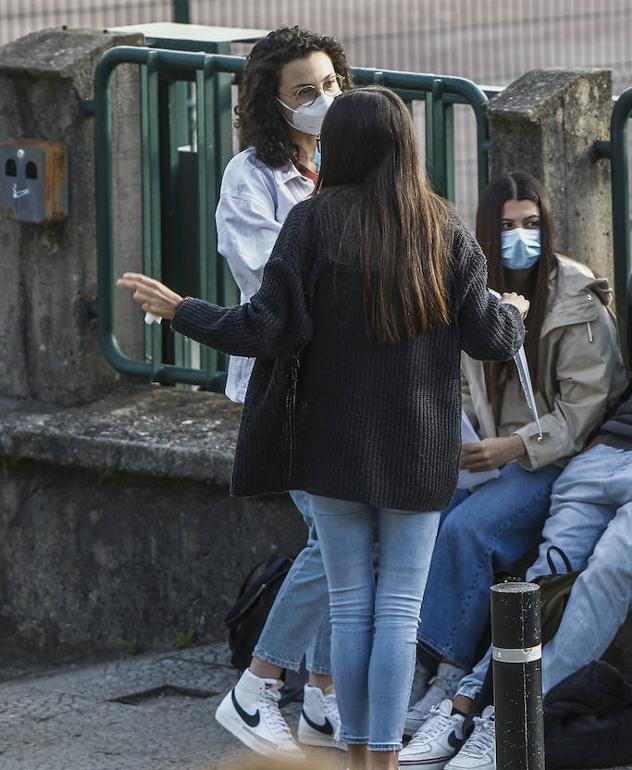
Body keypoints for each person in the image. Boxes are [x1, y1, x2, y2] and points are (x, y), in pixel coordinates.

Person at [117, 86, 528, 770]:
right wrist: (510, 307)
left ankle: (356, 755)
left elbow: (265, 327)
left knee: (349, 603)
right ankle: (384, 761)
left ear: (339, 146)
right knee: (399, 610)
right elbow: (488, 337)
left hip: (331, 446)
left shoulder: (313, 223)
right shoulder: (444, 227)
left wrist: (183, 309)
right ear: (406, 147)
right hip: (420, 449)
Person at [416, 132, 632, 768]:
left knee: (609, 571)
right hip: (614, 450)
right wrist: (605, 442)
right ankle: (464, 705)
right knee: (544, 575)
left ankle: (510, 723)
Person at [398, 172, 626, 768]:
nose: (519, 236)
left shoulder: (575, 296)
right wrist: (465, 438)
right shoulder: (471, 288)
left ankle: (449, 673)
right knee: (422, 510)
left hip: (551, 457)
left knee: (468, 531)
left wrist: (514, 446)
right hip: (487, 453)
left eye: (530, 224)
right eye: (505, 226)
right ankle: (405, 663)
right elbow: (466, 386)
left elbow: (586, 407)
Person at [210, 25, 353, 759]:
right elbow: (277, 287)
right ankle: (257, 687)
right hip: (290, 389)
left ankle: (324, 694)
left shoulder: (350, 164)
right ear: (271, 102)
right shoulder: (250, 179)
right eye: (305, 92)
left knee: (344, 538)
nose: (324, 101)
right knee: (335, 540)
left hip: (351, 383)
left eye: (331, 85)